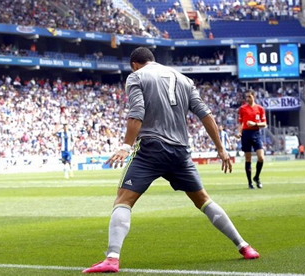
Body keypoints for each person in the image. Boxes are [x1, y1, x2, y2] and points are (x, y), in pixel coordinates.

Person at [82, 47, 260, 273]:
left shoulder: (136, 76)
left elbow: (137, 112)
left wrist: (126, 145)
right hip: (180, 152)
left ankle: (112, 259)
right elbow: (206, 115)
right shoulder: (184, 79)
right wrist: (221, 149)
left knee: (123, 200)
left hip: (151, 149)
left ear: (135, 64)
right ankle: (244, 246)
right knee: (203, 200)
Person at [236, 90, 266, 189]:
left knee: (261, 157)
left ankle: (256, 177)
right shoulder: (242, 109)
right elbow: (240, 123)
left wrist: (255, 124)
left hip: (256, 133)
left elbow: (264, 123)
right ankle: (250, 182)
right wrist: (239, 132)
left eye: (249, 96)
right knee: (248, 158)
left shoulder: (260, 108)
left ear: (254, 96)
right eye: (246, 97)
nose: (247, 99)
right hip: (246, 134)